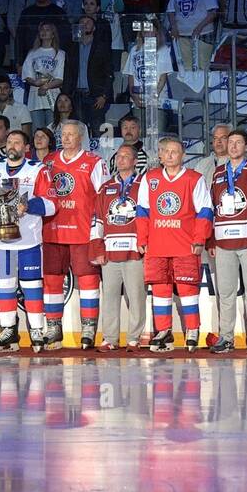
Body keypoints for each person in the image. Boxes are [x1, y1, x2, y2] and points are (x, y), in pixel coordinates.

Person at [0, 128, 58, 352]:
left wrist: (28, 206)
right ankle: (8, 330)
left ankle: (37, 331)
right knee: (4, 286)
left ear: (26, 148)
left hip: (28, 240)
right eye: (9, 142)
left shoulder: (38, 169)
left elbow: (51, 204)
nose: (12, 145)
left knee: (32, 286)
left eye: (17, 142)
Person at [136, 136, 213, 352]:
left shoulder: (194, 179)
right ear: (159, 155)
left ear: (183, 156)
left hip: (185, 245)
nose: (169, 155)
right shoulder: (149, 178)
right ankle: (164, 331)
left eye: (174, 152)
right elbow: (142, 212)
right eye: (165, 151)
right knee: (160, 289)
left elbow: (205, 211)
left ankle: (192, 330)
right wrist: (142, 239)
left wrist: (200, 239)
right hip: (157, 245)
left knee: (188, 289)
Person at [42, 118, 110, 349]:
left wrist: (98, 231)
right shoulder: (49, 161)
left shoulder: (94, 162)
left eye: (71, 134)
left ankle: (88, 330)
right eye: (63, 134)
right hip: (52, 231)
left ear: (81, 137)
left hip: (83, 233)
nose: (66, 138)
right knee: (52, 281)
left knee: (89, 281)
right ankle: (53, 329)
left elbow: (105, 197)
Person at [207, 128, 247, 355]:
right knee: (225, 293)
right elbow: (212, 209)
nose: (233, 146)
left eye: (237, 142)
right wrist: (211, 241)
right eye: (230, 142)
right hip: (223, 244)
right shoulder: (217, 173)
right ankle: (226, 338)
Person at [91, 142, 145, 350]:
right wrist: (97, 248)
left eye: (125, 156)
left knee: (136, 296)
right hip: (110, 252)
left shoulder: (144, 184)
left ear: (134, 161)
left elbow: (147, 217)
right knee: (110, 297)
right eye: (118, 156)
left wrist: (145, 243)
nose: (120, 159)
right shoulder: (106, 187)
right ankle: (110, 338)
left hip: (134, 251)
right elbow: (97, 220)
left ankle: (134, 337)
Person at [122, 25, 174, 135]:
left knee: (156, 136)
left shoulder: (163, 49)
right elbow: (131, 74)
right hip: (138, 101)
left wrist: (153, 96)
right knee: (139, 136)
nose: (147, 32)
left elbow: (163, 77)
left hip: (157, 102)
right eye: (145, 30)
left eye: (151, 30)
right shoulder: (135, 49)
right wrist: (133, 96)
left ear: (156, 32)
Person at [67, 13, 113, 135]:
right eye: (82, 23)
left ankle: (101, 154)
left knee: (98, 130)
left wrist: (104, 95)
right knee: (79, 133)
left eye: (88, 22)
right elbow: (68, 72)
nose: (85, 25)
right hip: (76, 95)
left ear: (94, 28)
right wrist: (67, 94)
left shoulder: (101, 46)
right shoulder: (72, 47)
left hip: (95, 96)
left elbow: (109, 73)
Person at [23, 21, 67, 130]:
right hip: (35, 98)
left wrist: (45, 86)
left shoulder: (60, 54)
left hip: (53, 97)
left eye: (47, 30)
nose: (44, 32)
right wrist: (34, 82)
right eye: (42, 30)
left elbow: (60, 78)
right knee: (37, 131)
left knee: (52, 130)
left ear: (53, 34)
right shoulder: (32, 53)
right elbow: (27, 74)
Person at [166, 0, 217, 71]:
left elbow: (213, 13)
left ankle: (204, 82)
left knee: (203, 65)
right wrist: (174, 27)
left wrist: (199, 28)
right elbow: (170, 11)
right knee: (186, 66)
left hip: (203, 33)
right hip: (182, 34)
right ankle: (188, 82)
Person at [16, 0, 71, 65]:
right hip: (30, 61)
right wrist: (19, 63)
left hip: (54, 61)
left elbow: (65, 40)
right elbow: (19, 39)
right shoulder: (26, 13)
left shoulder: (59, 13)